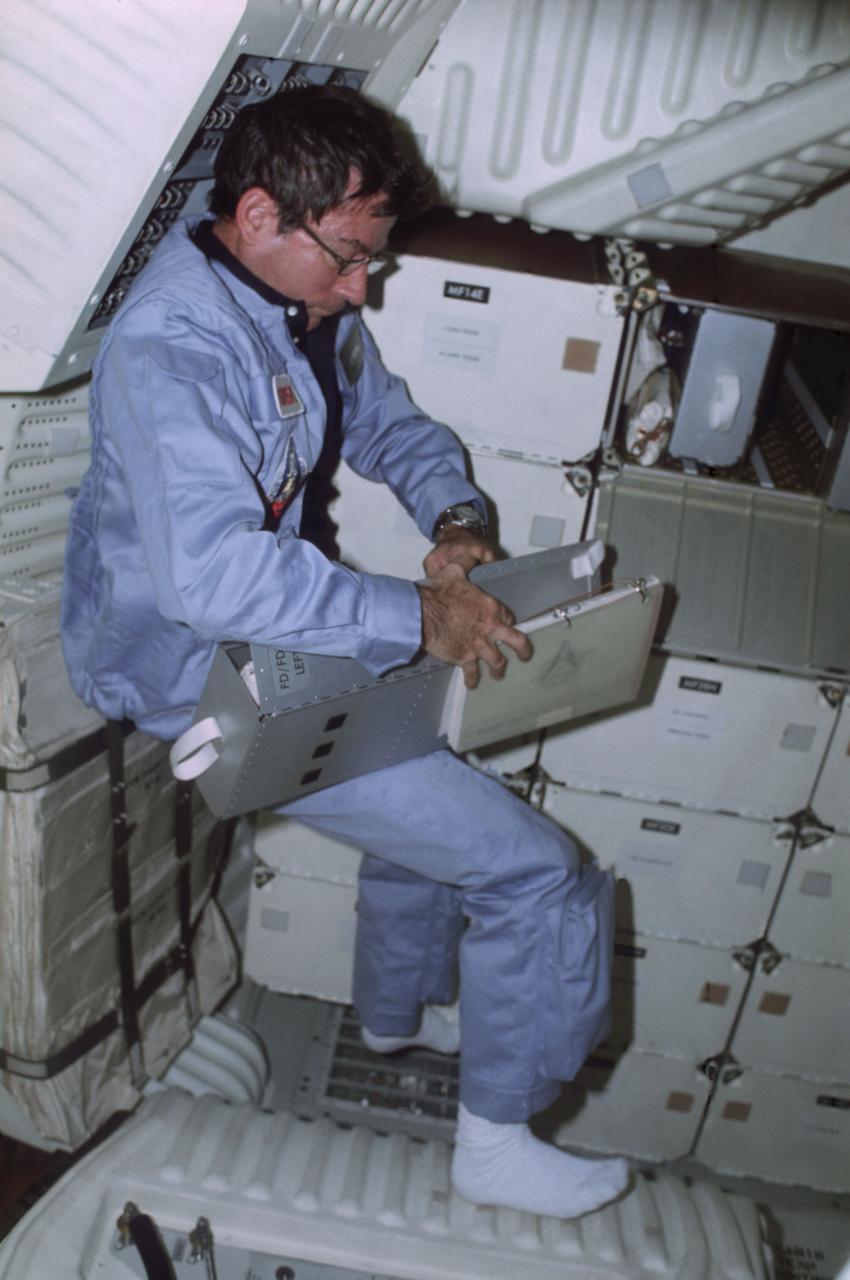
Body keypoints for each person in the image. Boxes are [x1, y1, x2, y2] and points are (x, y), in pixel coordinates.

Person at [61, 83, 628, 1218]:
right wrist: (417, 620)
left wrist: (455, 519)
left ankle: (385, 1012)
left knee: (415, 750)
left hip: (280, 631)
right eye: (352, 259)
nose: (364, 285)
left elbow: (388, 423)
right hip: (194, 668)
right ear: (263, 214)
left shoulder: (298, 299)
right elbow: (210, 576)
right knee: (539, 872)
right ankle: (499, 1135)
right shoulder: (172, 350)